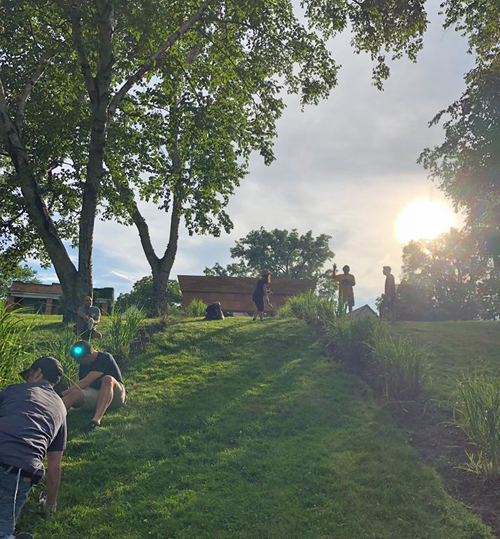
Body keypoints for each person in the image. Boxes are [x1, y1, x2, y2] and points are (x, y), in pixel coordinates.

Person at [0, 357, 67, 539]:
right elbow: (54, 466)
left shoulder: (12, 391)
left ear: (37, 373)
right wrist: (50, 505)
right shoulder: (60, 409)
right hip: (20, 470)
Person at [62, 341, 126, 433]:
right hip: (96, 394)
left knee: (108, 379)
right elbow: (82, 386)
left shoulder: (105, 358)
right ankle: (50, 417)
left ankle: (96, 420)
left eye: (78, 360)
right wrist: (61, 397)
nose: (77, 362)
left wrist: (62, 393)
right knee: (74, 393)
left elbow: (86, 381)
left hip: (115, 395)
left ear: (88, 356)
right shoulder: (84, 364)